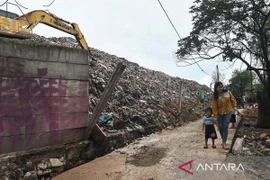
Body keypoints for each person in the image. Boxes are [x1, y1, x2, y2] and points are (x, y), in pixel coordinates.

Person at [212, 82, 237, 150]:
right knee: (220, 126)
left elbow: (232, 99)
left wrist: (234, 106)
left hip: (228, 111)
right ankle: (224, 140)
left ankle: (224, 142)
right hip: (219, 113)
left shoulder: (228, 92)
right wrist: (215, 116)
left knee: (225, 125)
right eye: (219, 87)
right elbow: (214, 107)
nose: (220, 88)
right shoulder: (215, 96)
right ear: (216, 88)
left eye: (221, 87)